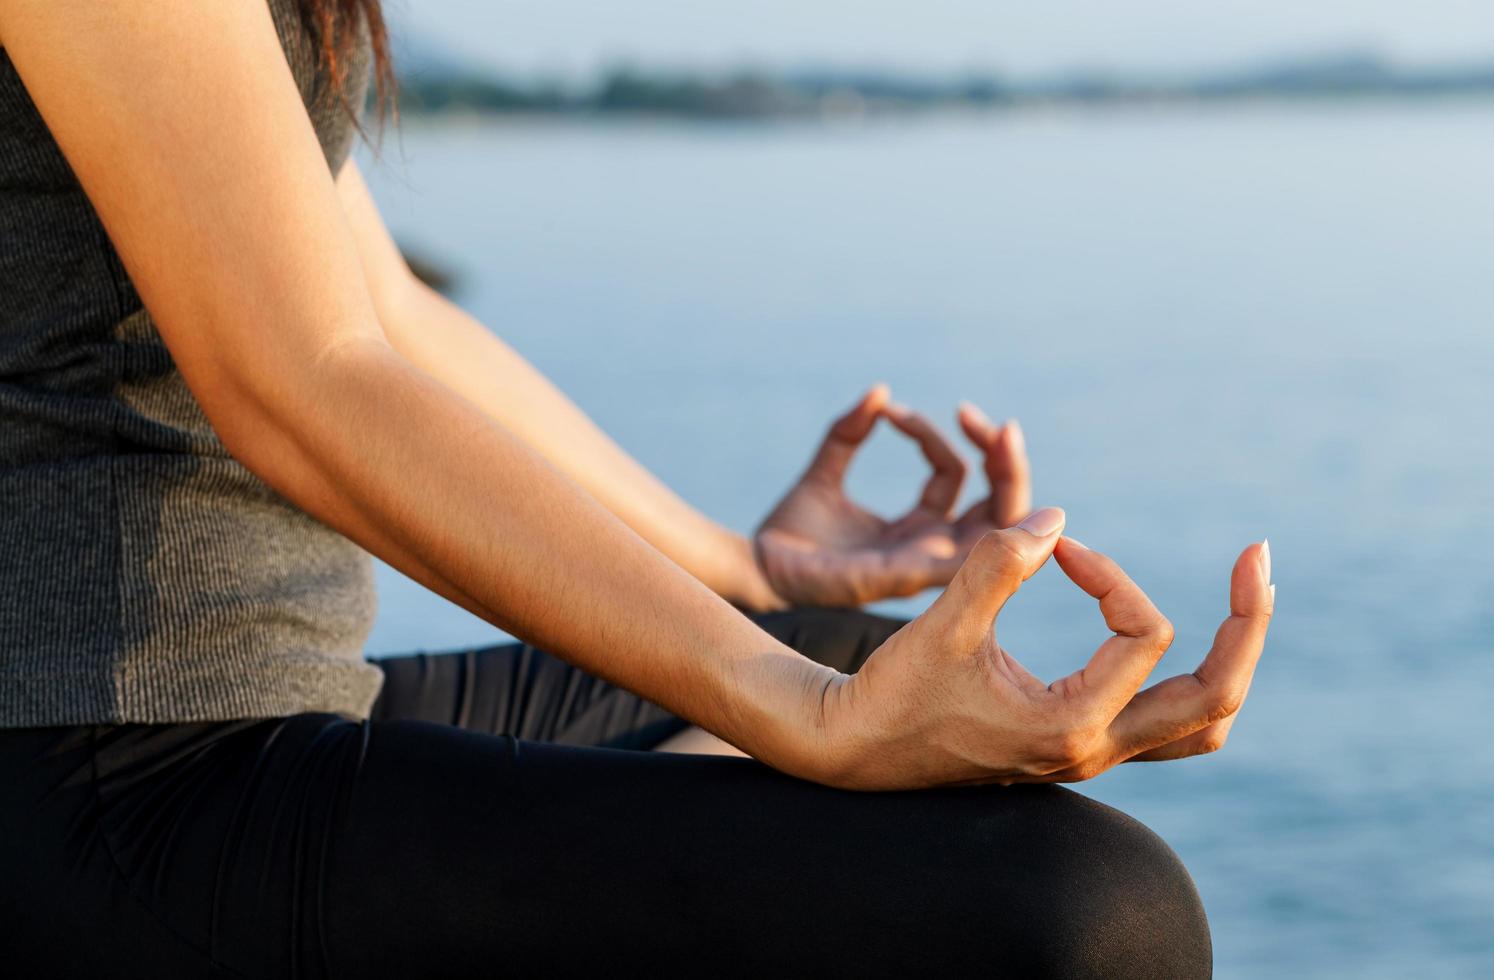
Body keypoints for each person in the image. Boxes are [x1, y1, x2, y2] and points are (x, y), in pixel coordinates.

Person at [0, 1, 1273, 976]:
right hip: (101, 765)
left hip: (275, 692)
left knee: (833, 648)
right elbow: (305, 382)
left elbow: (385, 312)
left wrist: (744, 570)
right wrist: (809, 716)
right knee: (1093, 914)